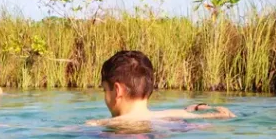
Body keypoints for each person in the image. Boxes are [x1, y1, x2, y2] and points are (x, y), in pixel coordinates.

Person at [87, 50, 235, 126]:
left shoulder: (103, 124)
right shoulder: (169, 115)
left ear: (117, 90)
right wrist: (194, 109)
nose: (105, 97)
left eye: (105, 90)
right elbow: (223, 115)